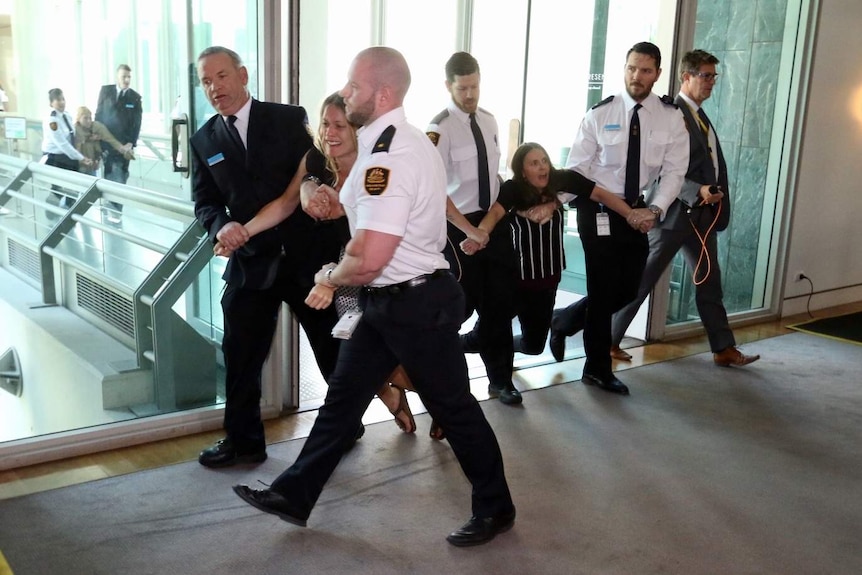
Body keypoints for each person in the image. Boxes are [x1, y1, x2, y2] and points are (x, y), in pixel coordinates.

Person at [232, 46, 516, 547]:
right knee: (342, 401)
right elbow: (364, 211)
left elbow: (369, 256)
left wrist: (329, 279)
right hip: (391, 301)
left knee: (454, 408)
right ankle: (294, 495)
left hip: (414, 304)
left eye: (354, 86)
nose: (345, 93)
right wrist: (325, 198)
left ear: (383, 94)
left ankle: (496, 508)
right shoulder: (394, 143)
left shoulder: (391, 156)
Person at [215, 92, 417, 435]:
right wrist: (239, 234)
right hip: (340, 270)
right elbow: (283, 204)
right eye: (325, 123)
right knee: (350, 351)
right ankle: (387, 400)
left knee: (382, 351)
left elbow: (381, 231)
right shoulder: (316, 161)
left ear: (358, 130)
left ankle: (436, 397)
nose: (330, 132)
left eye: (340, 125)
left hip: (378, 266)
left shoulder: (378, 165)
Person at [190, 46, 342, 469]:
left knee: (332, 349)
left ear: (242, 75)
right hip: (252, 261)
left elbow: (318, 169)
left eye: (220, 76)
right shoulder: (204, 139)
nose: (214, 87)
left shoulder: (288, 117)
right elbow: (204, 200)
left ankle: (346, 425)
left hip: (305, 257)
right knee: (239, 354)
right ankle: (243, 443)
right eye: (205, 81)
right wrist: (220, 226)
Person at [548, 41, 689, 396]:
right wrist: (552, 203)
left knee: (627, 289)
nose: (636, 76)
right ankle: (596, 368)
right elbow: (577, 169)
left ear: (657, 74)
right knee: (601, 287)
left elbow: (675, 172)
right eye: (631, 68)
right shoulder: (601, 113)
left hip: (636, 211)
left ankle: (564, 320)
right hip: (594, 209)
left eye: (644, 70)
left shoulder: (670, 118)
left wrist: (654, 209)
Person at [610, 49, 761, 368]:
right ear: (686, 77)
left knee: (710, 283)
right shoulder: (671, 114)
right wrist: (698, 190)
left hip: (702, 219)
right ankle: (606, 340)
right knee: (639, 280)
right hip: (674, 216)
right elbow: (663, 169)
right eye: (705, 76)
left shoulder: (700, 116)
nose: (710, 83)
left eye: (713, 77)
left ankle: (723, 348)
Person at [462, 142, 651, 358]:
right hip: (515, 280)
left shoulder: (561, 179)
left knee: (534, 346)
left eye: (544, 161)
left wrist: (630, 215)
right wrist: (480, 234)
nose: (542, 167)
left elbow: (601, 195)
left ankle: (497, 342)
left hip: (548, 280)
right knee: (489, 332)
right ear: (523, 172)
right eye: (534, 163)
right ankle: (462, 345)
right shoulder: (513, 189)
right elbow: (494, 214)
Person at [426, 51, 522, 406]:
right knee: (459, 306)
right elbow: (435, 190)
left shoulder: (489, 120)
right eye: (463, 88)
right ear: (448, 86)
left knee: (500, 303)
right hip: (457, 228)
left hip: (492, 223)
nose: (470, 95)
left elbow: (494, 177)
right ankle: (446, 387)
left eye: (475, 86)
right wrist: (469, 230)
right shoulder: (439, 129)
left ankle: (500, 381)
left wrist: (487, 227)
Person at [95, 64, 142, 221]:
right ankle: (108, 209)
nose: (127, 80)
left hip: (123, 147)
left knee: (120, 177)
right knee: (108, 175)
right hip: (106, 143)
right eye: (124, 77)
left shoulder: (135, 98)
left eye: (129, 77)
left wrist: (131, 142)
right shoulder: (106, 91)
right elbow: (99, 114)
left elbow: (137, 123)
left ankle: (116, 213)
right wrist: (97, 136)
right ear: (117, 76)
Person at [41, 88, 92, 208]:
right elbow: (62, 144)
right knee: (61, 187)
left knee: (74, 186)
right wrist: (81, 157)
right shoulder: (51, 120)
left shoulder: (67, 116)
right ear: (51, 103)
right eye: (58, 100)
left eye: (63, 99)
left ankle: (68, 211)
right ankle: (54, 210)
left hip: (68, 156)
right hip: (55, 157)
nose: (62, 102)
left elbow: (72, 137)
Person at [74, 106, 134, 177]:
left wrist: (122, 149)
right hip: (79, 166)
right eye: (85, 118)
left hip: (92, 164)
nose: (88, 121)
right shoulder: (74, 130)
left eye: (90, 118)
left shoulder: (96, 127)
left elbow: (110, 139)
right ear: (78, 118)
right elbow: (73, 149)